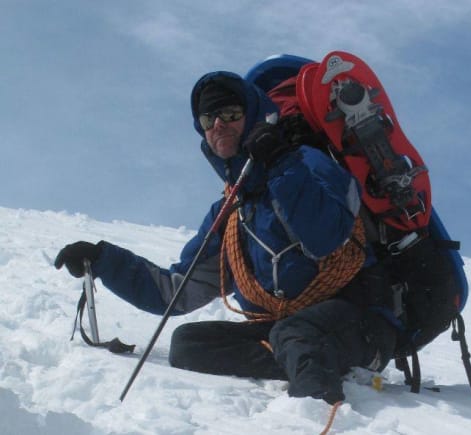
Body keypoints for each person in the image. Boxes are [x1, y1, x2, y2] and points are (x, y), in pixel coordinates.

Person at [55, 71, 397, 404]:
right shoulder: (232, 212)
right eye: (208, 119)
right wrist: (103, 260)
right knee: (188, 343)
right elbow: (176, 291)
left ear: (254, 117)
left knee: (294, 335)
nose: (218, 124)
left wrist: (280, 163)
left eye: (230, 114)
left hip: (359, 321)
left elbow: (325, 237)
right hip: (288, 329)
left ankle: (315, 405)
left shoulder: (310, 165)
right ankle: (311, 362)